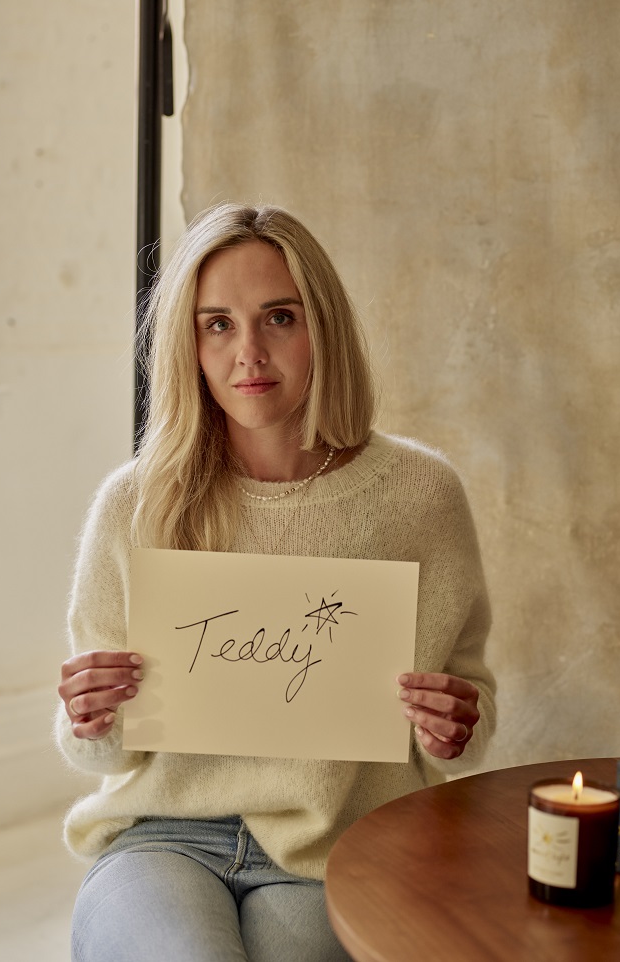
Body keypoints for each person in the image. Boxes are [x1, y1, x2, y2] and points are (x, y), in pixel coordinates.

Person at [56, 203, 496, 962]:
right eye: (217, 323)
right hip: (163, 839)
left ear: (321, 326)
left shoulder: (421, 496)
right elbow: (97, 751)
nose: (249, 352)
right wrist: (89, 717)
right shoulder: (133, 502)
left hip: (340, 850)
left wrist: (455, 723)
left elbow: (468, 717)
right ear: (187, 345)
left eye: (280, 317)